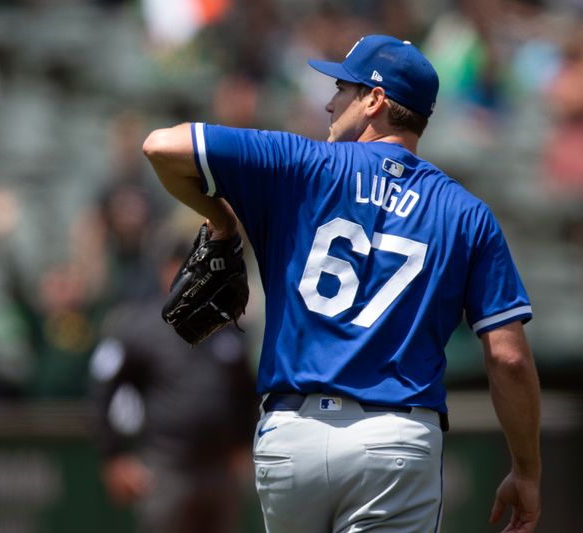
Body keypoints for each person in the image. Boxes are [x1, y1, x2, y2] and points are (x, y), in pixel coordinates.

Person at [143, 34, 541, 533]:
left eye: (342, 88)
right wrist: (527, 469)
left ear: (374, 100)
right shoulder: (467, 214)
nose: (331, 101)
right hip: (394, 440)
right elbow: (508, 357)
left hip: (293, 437)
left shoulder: (299, 164)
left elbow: (160, 145)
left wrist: (220, 221)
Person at [89, 224, 258, 533]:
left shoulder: (225, 324)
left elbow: (245, 392)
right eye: (179, 265)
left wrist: (242, 446)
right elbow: (103, 388)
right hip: (166, 467)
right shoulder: (138, 327)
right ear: (163, 270)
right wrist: (114, 457)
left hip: (220, 470)